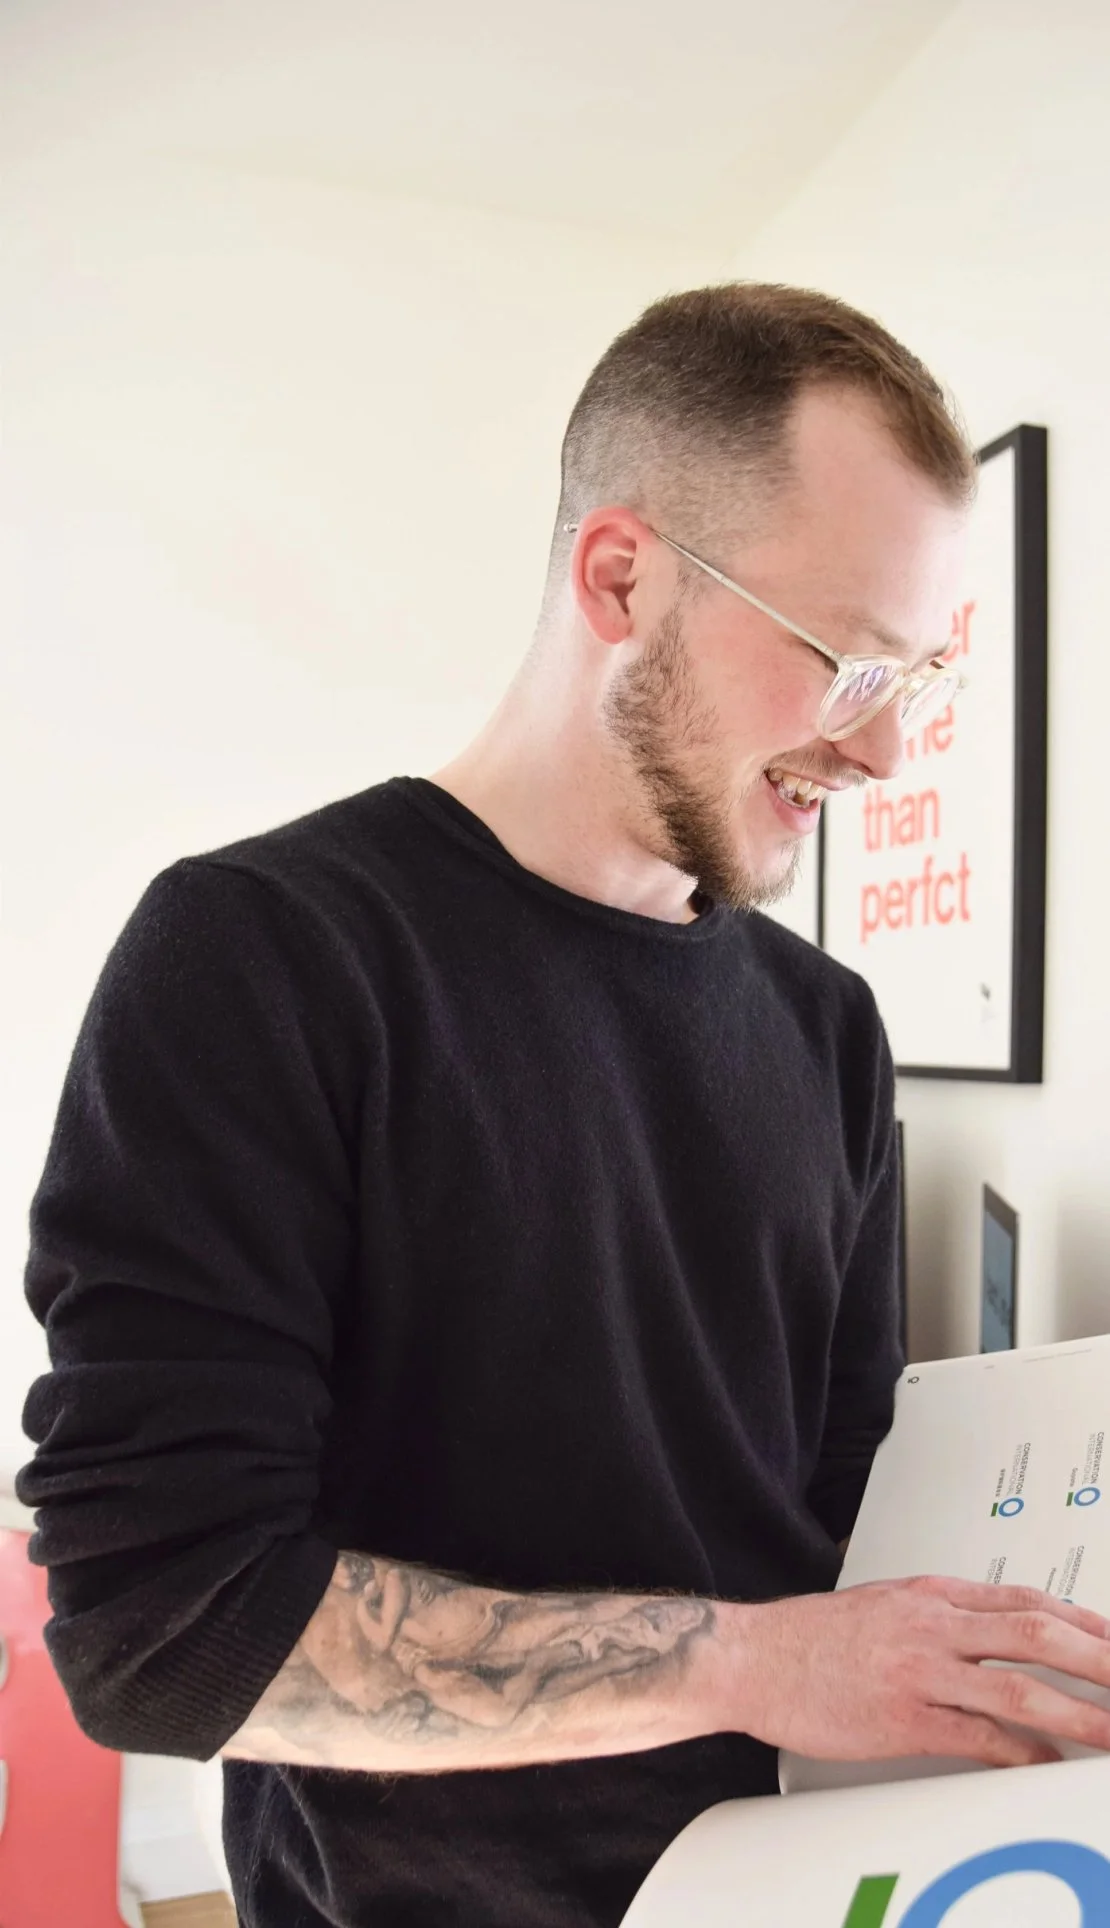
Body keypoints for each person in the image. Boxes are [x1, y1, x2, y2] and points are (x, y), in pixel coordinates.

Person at [17, 283, 1110, 1928]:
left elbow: (841, 1522)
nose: (884, 755)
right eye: (843, 666)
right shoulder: (262, 958)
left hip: (809, 1886)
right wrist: (755, 1665)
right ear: (619, 577)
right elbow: (161, 1634)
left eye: (915, 679)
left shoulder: (825, 1030)